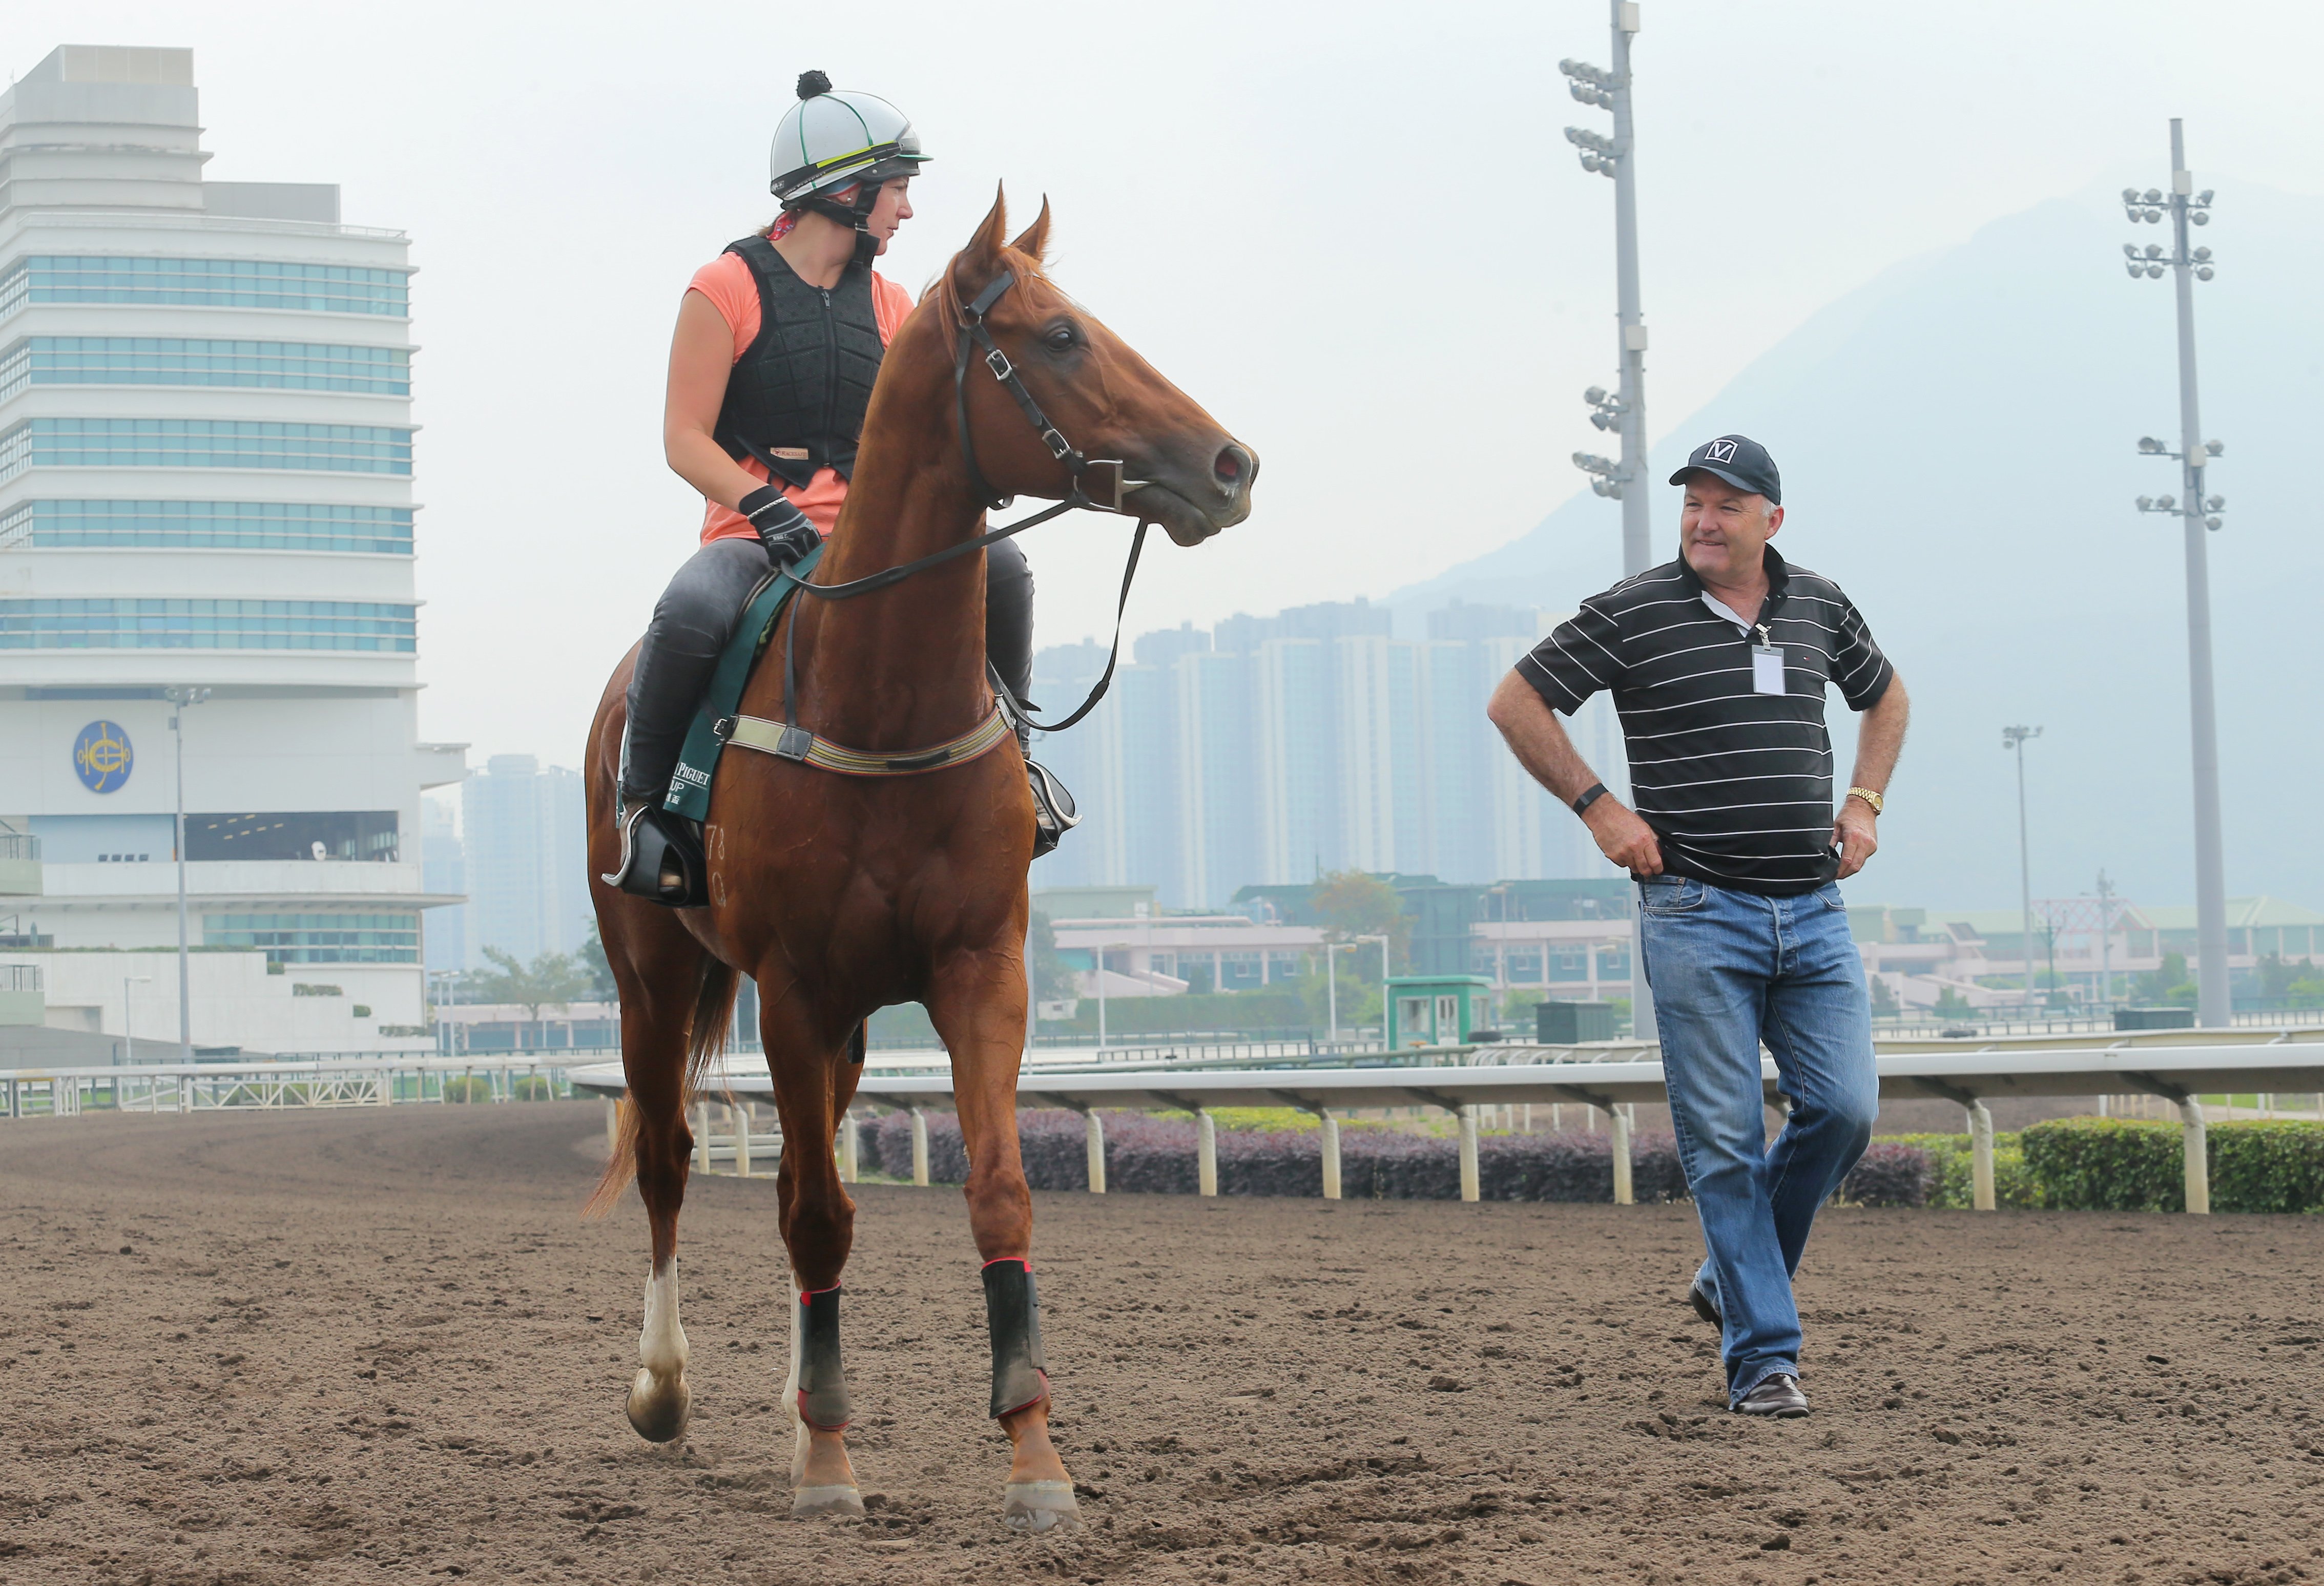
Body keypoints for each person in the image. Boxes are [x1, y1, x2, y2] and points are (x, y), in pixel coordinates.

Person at [1486, 434, 1910, 1418]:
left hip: (1813, 911)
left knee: (1844, 1113)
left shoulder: (1820, 605)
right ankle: (1763, 1358)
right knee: (1722, 1140)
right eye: (1694, 504)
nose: (1705, 521)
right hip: (1695, 912)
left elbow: (1885, 696)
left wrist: (1865, 804)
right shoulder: (1633, 612)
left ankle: (1729, 1279)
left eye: (1728, 505)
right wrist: (1598, 805)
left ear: (1773, 519)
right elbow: (1517, 702)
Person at [606, 71, 1065, 905]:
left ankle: (1020, 765)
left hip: (873, 542)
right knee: (691, 607)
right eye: (897, 190)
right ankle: (647, 811)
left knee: (1005, 570)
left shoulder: (891, 305)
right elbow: (683, 439)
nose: (908, 211)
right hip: (755, 542)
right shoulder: (724, 288)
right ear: (843, 190)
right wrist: (762, 505)